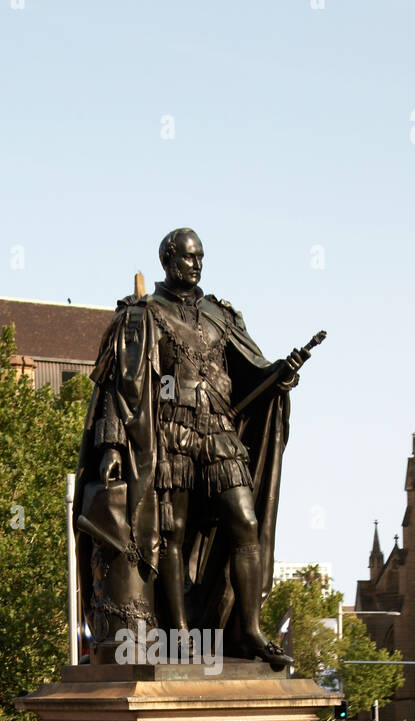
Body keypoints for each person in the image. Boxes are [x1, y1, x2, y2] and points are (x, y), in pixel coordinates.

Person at [75, 228, 322, 668]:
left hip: (219, 430)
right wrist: (112, 447)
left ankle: (248, 629)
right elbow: (119, 389)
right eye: (189, 258)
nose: (197, 265)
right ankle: (181, 634)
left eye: (201, 257)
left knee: (244, 521)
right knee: (172, 533)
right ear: (168, 259)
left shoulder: (221, 315)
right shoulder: (143, 315)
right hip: (169, 435)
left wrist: (279, 376)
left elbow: (252, 373)